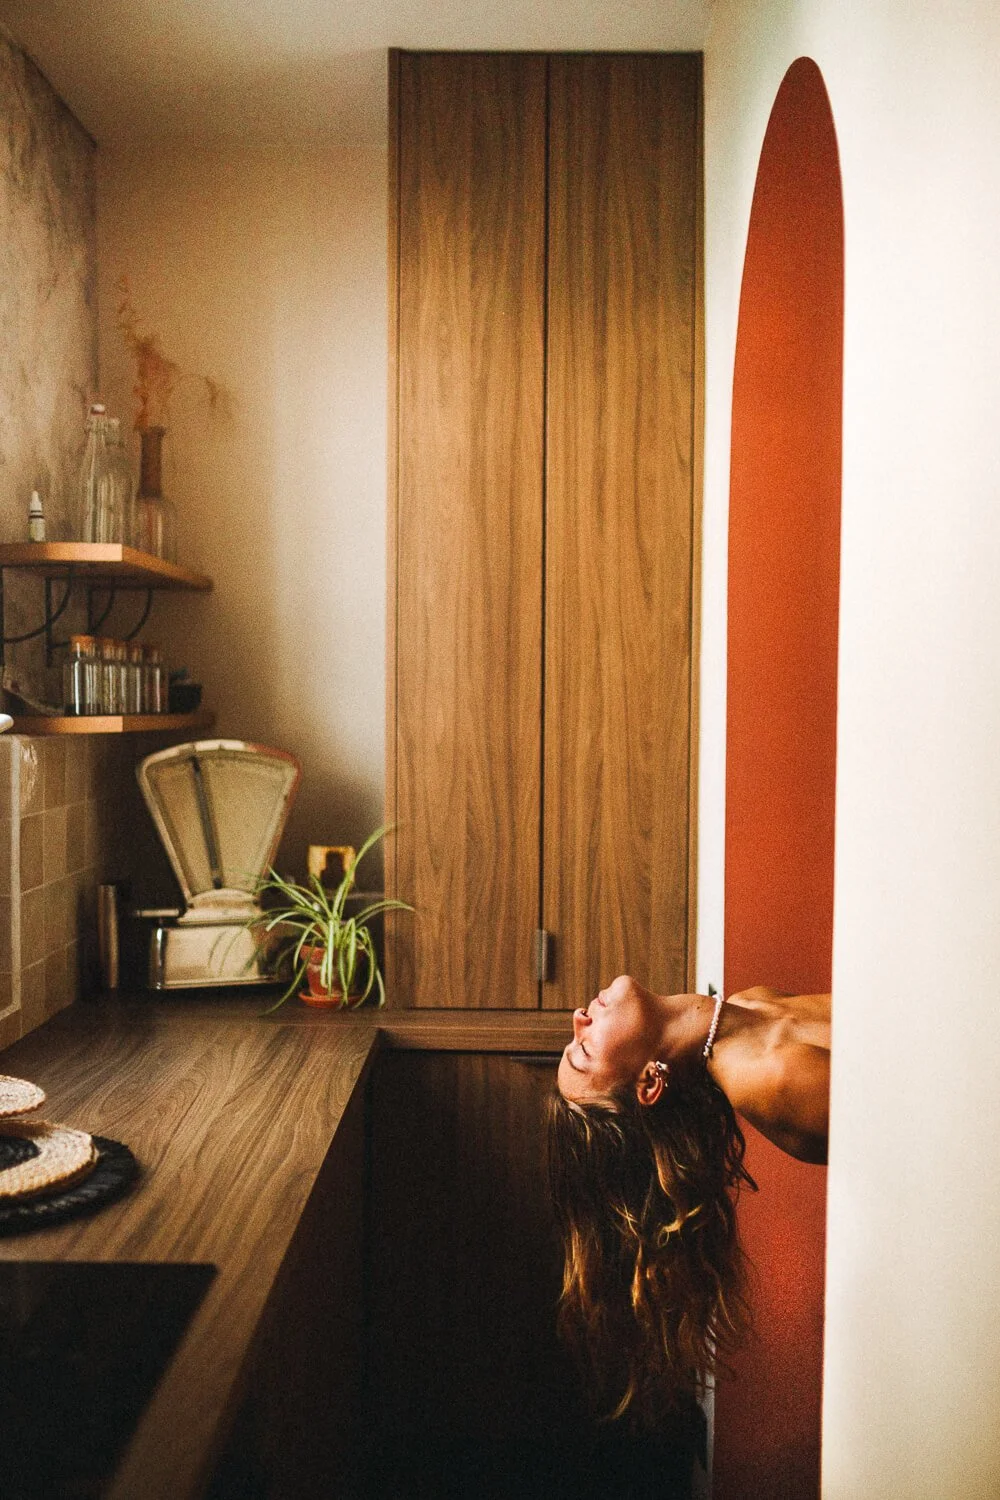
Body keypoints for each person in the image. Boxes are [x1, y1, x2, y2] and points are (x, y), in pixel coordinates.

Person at [547, 976, 831, 1431]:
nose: (578, 1018)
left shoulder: (747, 1004)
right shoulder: (770, 1077)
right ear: (648, 1083)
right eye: (583, 1050)